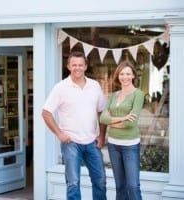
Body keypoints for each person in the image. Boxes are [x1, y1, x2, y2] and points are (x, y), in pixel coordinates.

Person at [42, 51, 107, 200]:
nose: (77, 68)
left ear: (85, 66)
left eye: (80, 65)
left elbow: (102, 112)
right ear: (68, 66)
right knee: (73, 183)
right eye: (74, 65)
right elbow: (46, 112)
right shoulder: (61, 87)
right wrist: (59, 134)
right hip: (71, 142)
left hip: (92, 142)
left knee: (100, 180)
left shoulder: (94, 86)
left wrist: (102, 135)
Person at [100, 60, 144, 200]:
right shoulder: (114, 95)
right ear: (118, 76)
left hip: (130, 145)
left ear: (133, 76)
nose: (124, 77)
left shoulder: (138, 94)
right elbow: (102, 119)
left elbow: (131, 124)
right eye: (121, 74)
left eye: (127, 74)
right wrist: (123, 118)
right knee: (120, 186)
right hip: (113, 144)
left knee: (133, 186)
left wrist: (112, 122)